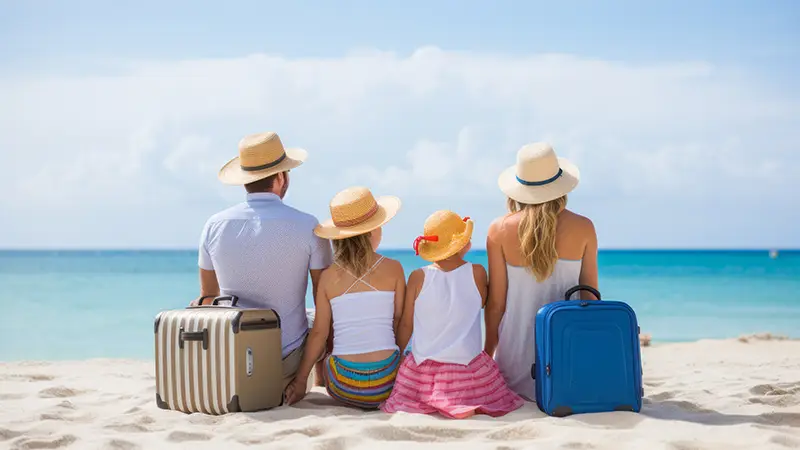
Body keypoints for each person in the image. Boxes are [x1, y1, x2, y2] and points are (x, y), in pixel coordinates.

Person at [193, 131, 333, 395]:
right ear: (281, 177)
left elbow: (208, 297)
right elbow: (322, 296)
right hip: (284, 366)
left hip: (233, 363)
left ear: (245, 180)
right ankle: (319, 383)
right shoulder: (308, 225)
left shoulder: (214, 225)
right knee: (320, 315)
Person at [483, 142, 598, 401]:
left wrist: (488, 356)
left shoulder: (498, 230)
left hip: (514, 371)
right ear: (561, 186)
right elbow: (590, 299)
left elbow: (496, 304)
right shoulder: (584, 228)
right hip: (568, 370)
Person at [381, 210, 524, 419]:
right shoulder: (477, 272)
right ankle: (458, 402)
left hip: (425, 372)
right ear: (463, 245)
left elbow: (406, 326)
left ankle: (440, 400)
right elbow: (484, 304)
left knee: (411, 395)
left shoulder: (418, 276)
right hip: (469, 369)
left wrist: (398, 357)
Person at [284, 186, 406, 409]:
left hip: (343, 386)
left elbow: (319, 334)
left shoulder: (329, 277)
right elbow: (399, 320)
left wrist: (301, 380)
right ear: (370, 232)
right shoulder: (394, 269)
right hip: (388, 383)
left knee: (327, 338)